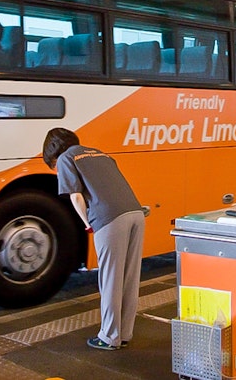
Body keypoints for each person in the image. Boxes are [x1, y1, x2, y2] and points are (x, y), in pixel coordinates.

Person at [42, 128, 145, 351]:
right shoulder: (100, 154)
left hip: (109, 219)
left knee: (110, 280)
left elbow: (76, 196)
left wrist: (87, 224)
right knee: (129, 278)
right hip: (135, 214)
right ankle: (124, 334)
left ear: (52, 154)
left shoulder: (66, 158)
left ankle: (109, 337)